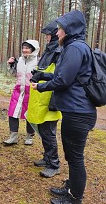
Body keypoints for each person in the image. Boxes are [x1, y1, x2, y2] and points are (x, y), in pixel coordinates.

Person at [31, 10, 97, 204]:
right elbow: (66, 75)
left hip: (78, 112)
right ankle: (70, 187)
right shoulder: (74, 47)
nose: (57, 32)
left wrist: (41, 87)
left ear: (69, 29)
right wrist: (43, 75)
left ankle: (74, 198)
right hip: (75, 110)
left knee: (76, 158)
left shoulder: (75, 48)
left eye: (60, 29)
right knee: (71, 155)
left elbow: (64, 80)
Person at [28, 20, 62, 178]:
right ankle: (47, 157)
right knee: (42, 129)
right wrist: (37, 72)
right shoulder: (50, 50)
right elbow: (44, 70)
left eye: (48, 35)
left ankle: (54, 164)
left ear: (54, 35)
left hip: (50, 98)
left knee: (48, 131)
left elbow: (59, 75)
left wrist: (41, 75)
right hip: (41, 96)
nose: (46, 37)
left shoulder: (59, 51)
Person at [3, 40, 39, 146]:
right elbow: (13, 74)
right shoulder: (20, 61)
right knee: (13, 112)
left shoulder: (38, 61)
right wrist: (10, 65)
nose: (25, 50)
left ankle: (29, 136)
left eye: (27, 48)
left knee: (29, 114)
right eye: (23, 48)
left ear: (32, 49)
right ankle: (13, 136)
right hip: (18, 90)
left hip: (31, 90)